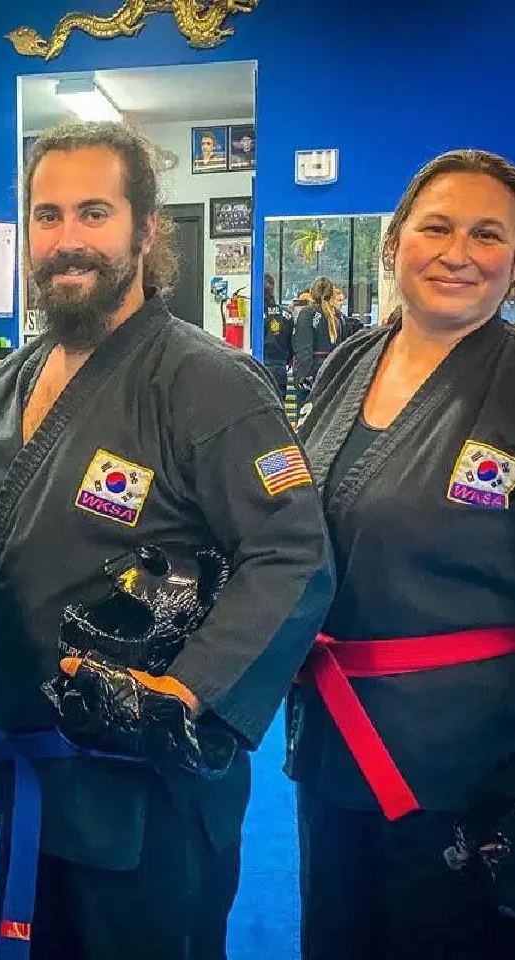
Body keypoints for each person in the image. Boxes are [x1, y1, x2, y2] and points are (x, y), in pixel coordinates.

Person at [0, 120, 334, 960]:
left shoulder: (205, 381)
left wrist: (182, 695)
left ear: (143, 228)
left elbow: (292, 554)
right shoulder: (9, 384)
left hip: (149, 791)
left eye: (94, 213)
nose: (67, 241)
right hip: (32, 777)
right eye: (47, 215)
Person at [290, 148, 515, 959]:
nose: (458, 252)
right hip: (332, 735)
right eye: (437, 227)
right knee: (336, 934)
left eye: (488, 234)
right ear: (394, 245)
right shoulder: (349, 361)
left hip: (467, 766)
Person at [292, 276, 343, 412]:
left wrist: (303, 376)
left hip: (312, 374)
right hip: (333, 374)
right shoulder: (338, 316)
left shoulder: (308, 314)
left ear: (312, 293)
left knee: (305, 424)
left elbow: (304, 348)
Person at [263, 272, 294, 399]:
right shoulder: (286, 314)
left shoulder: (256, 315)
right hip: (280, 367)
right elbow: (292, 342)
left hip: (261, 365)